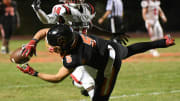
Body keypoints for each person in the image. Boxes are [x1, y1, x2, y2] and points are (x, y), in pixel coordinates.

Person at [16, 24, 174, 101]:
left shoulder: (76, 57)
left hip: (109, 65)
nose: (51, 49)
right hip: (109, 46)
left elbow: (57, 77)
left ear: (64, 44)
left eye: (54, 47)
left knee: (99, 99)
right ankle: (163, 42)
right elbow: (45, 32)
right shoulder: (72, 34)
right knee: (130, 50)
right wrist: (33, 41)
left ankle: (91, 88)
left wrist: (34, 72)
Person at [31, 0, 97, 97]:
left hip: (86, 47)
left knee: (97, 76)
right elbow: (47, 20)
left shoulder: (89, 8)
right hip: (70, 50)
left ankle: (78, 83)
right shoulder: (62, 8)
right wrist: (37, 9)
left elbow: (90, 26)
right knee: (89, 82)